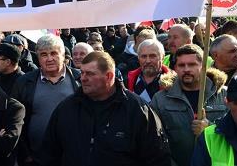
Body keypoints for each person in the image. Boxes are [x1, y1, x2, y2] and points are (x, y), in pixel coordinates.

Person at [39, 52, 171, 166]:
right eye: (82, 73)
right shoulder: (66, 108)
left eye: (90, 74)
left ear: (109, 76)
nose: (83, 78)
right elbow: (49, 154)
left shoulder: (137, 110)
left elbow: (157, 157)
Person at [150, 44, 228, 166]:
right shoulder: (161, 99)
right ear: (175, 68)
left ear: (203, 66)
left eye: (192, 64)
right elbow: (155, 141)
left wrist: (210, 130)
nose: (186, 69)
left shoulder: (224, 94)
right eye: (181, 65)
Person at [11, 34, 80, 166]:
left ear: (63, 55)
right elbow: (14, 119)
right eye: (44, 54)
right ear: (38, 57)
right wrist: (25, 154)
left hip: (72, 156)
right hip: (35, 158)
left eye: (54, 53)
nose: (49, 59)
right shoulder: (24, 82)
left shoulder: (80, 79)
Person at [127, 39, 171, 103]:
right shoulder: (127, 81)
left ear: (162, 57)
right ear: (138, 58)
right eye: (144, 56)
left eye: (152, 56)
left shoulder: (174, 82)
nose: (148, 61)